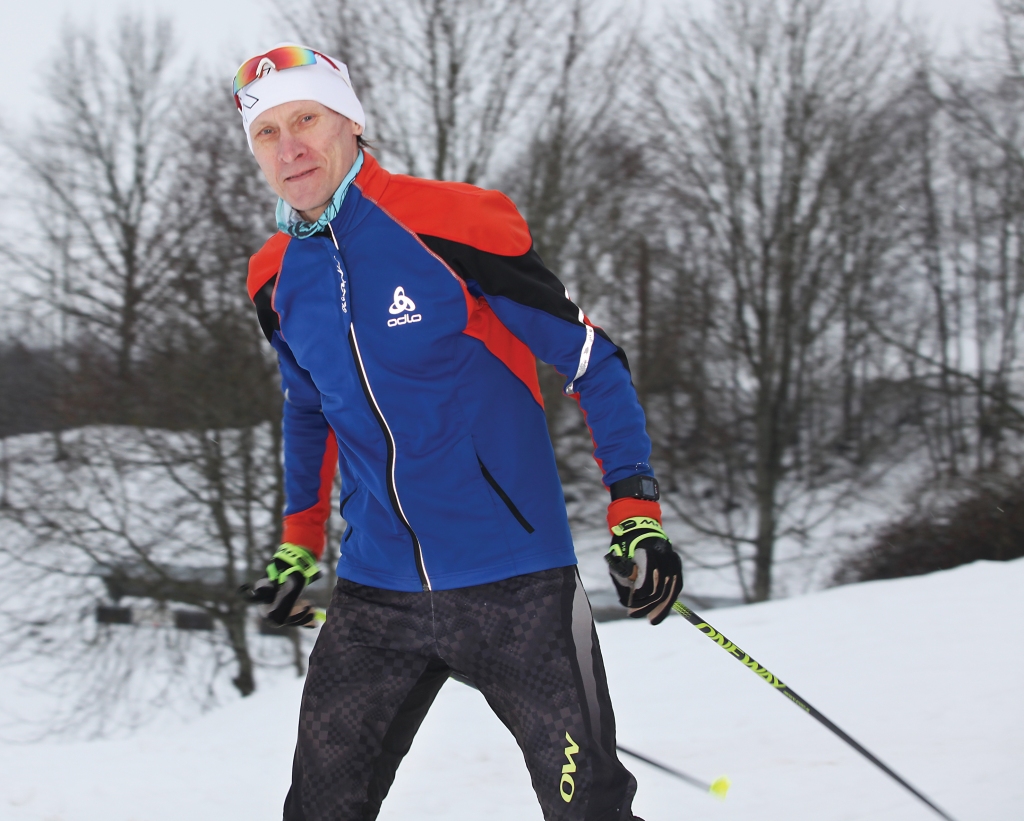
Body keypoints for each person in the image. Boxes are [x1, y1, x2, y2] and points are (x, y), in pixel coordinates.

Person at [235, 43, 683, 821]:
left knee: (590, 812)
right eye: (267, 133)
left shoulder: (455, 222)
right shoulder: (274, 278)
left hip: (517, 583)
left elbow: (592, 359)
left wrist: (634, 510)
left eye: (305, 118)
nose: (290, 146)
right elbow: (308, 408)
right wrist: (299, 544)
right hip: (377, 593)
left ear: (350, 122)